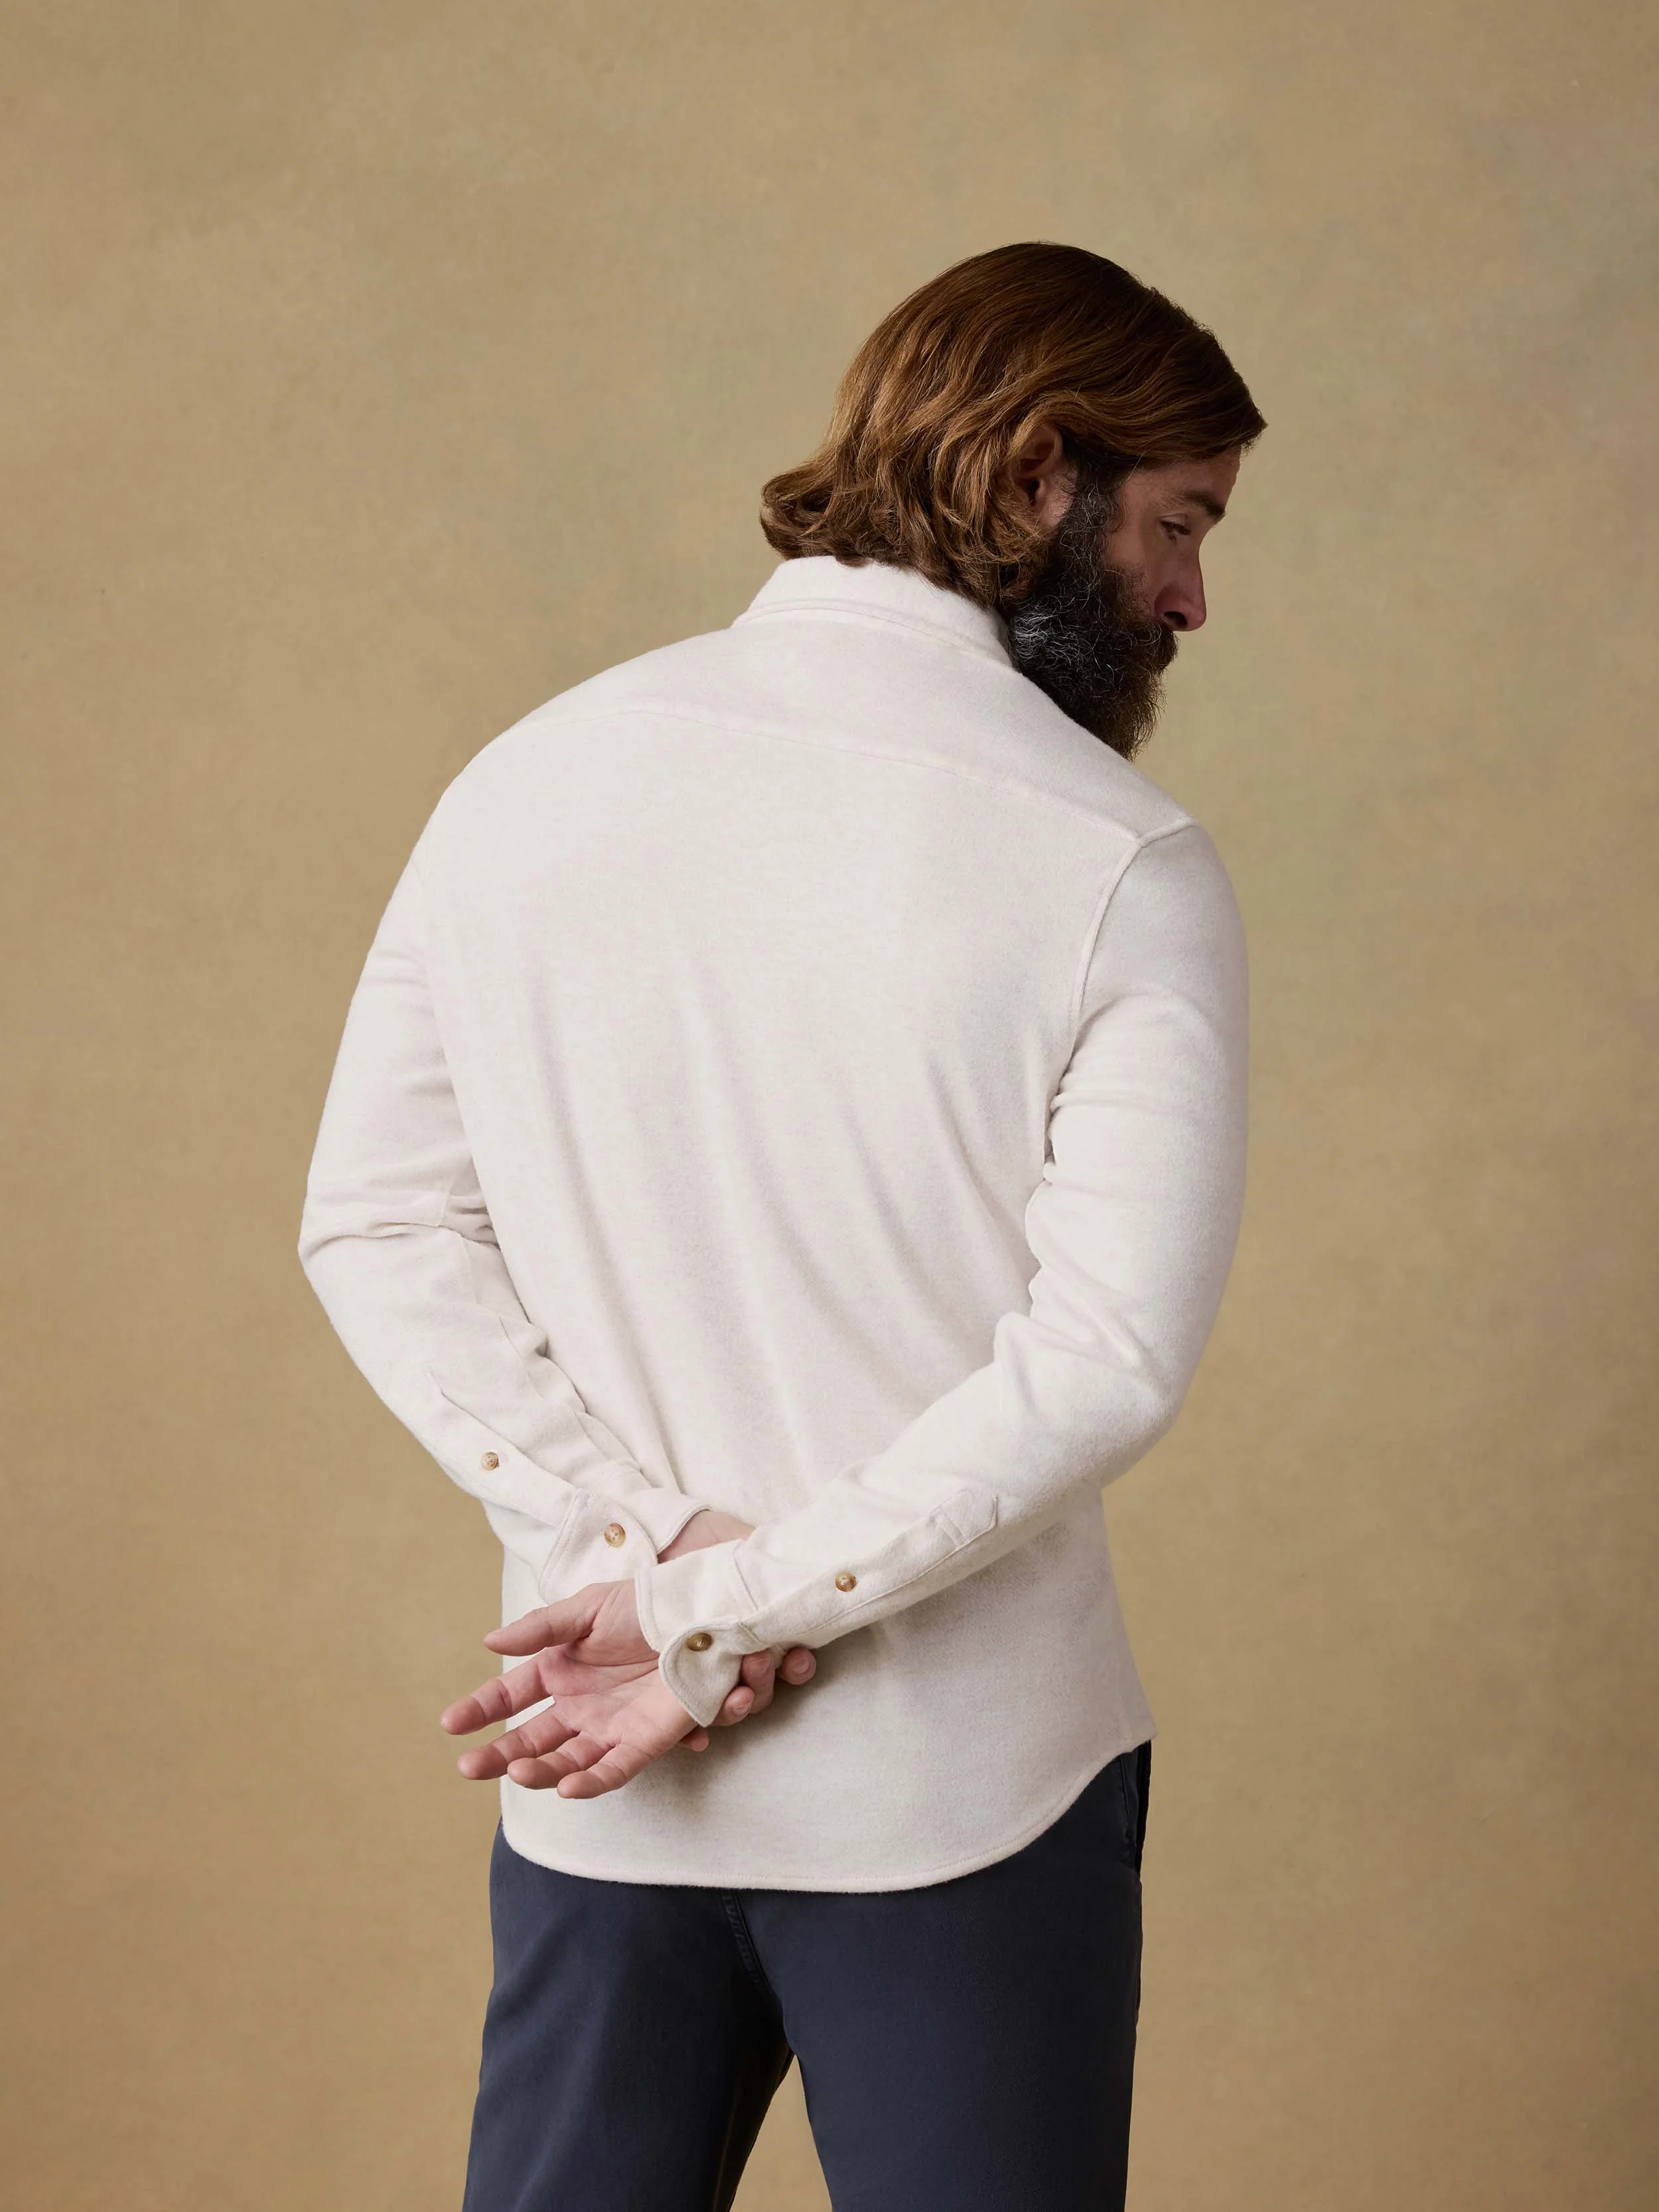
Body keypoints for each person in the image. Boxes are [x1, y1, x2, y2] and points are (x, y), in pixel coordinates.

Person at [299, 241, 1265, 2212]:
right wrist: (712, 1602)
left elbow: (376, 1225)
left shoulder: (523, 780)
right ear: (1037, 473)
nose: (1189, 599)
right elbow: (1104, 1360)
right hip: (963, 1790)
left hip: (604, 1771)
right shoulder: (1119, 859)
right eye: (1178, 524)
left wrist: (652, 1568)